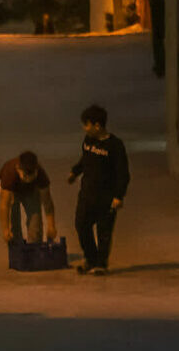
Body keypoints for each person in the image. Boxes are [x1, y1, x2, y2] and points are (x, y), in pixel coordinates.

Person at [67, 102, 129, 274]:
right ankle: (91, 259)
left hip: (106, 197)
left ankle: (101, 264)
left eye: (86, 124)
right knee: (81, 225)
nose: (84, 128)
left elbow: (123, 173)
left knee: (104, 232)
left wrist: (119, 196)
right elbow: (85, 160)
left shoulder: (115, 145)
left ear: (97, 125)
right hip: (87, 194)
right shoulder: (88, 140)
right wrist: (75, 172)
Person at [0, 151, 59, 245]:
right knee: (13, 218)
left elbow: (47, 202)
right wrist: (5, 229)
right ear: (18, 169)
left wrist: (51, 225)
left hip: (31, 191)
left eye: (32, 176)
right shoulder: (9, 173)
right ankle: (16, 245)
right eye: (25, 176)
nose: (28, 179)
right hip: (12, 190)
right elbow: (4, 205)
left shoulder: (41, 175)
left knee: (35, 220)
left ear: (36, 170)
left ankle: (35, 247)